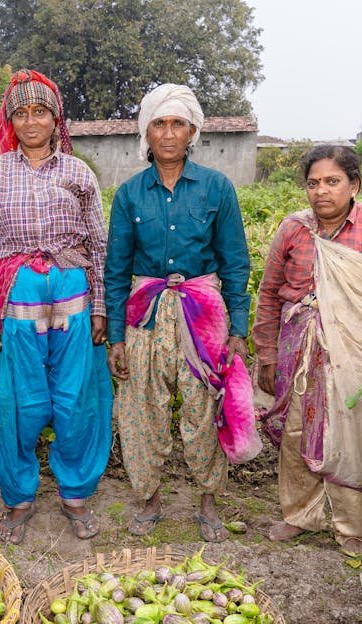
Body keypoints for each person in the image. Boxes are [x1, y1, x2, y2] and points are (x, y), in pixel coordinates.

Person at [105, 84, 260, 544]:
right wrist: (116, 337)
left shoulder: (216, 188)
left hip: (202, 313)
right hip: (145, 311)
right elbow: (116, 268)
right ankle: (148, 497)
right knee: (140, 407)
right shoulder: (130, 195)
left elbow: (235, 260)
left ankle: (209, 500)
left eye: (178, 124)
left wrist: (238, 328)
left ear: (192, 131)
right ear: (146, 132)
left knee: (204, 406)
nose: (168, 133)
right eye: (159, 123)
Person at [0, 69, 112, 544]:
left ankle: (75, 494)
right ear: (11, 120)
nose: (31, 121)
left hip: (73, 292)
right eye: (22, 113)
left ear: (55, 118)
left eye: (40, 112)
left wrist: (102, 308)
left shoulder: (77, 172)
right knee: (20, 402)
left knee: (74, 398)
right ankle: (19, 498)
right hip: (18, 296)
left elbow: (99, 244)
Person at [253, 145, 362, 554]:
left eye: (332, 181)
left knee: (353, 431)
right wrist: (267, 353)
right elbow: (270, 294)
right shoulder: (293, 229)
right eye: (313, 183)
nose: (321, 191)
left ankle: (354, 527)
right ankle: (300, 515)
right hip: (298, 344)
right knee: (297, 429)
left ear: (354, 185)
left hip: (357, 348)